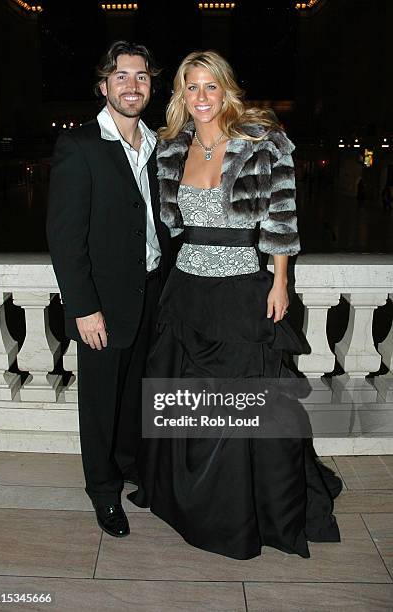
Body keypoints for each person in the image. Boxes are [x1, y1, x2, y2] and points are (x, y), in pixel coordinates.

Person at [128, 50, 342, 559]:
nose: (201, 98)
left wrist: (280, 280)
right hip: (187, 289)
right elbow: (169, 225)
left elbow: (281, 219)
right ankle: (185, 499)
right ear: (180, 93)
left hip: (244, 285)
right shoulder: (170, 147)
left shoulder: (261, 144)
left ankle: (245, 510)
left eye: (211, 86)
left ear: (226, 89)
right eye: (191, 88)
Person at [46, 41, 171, 538]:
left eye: (140, 76)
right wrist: (84, 308)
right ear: (104, 86)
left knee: (135, 395)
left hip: (151, 293)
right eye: (121, 76)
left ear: (150, 86)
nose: (132, 85)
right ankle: (102, 491)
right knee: (99, 404)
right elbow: (64, 237)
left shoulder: (159, 144)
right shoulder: (79, 146)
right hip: (102, 304)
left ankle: (127, 466)